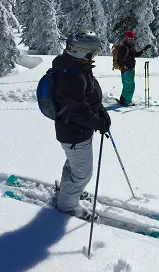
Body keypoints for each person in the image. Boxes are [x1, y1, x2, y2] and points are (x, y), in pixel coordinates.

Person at [52, 30, 111, 221]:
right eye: (92, 52)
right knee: (83, 173)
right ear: (81, 52)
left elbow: (87, 95)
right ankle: (67, 205)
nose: (94, 56)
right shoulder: (71, 75)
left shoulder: (75, 66)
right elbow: (77, 110)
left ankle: (68, 191)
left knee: (74, 164)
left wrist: (100, 110)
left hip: (76, 131)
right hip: (74, 132)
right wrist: (98, 122)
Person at [116, 30, 151, 106]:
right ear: (126, 38)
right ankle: (127, 102)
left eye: (132, 38)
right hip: (126, 70)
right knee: (131, 86)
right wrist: (125, 67)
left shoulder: (132, 47)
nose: (131, 40)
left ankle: (123, 99)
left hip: (130, 69)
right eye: (129, 39)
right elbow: (119, 61)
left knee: (126, 86)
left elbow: (136, 55)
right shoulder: (123, 48)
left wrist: (144, 49)